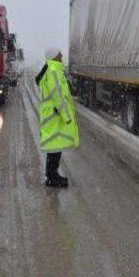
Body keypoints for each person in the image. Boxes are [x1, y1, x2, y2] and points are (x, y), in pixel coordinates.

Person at [35, 47, 80, 187]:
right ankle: (52, 177)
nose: (62, 57)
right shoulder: (54, 71)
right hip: (55, 115)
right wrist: (67, 116)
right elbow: (58, 95)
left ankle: (52, 175)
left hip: (53, 114)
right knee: (55, 146)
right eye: (59, 55)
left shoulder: (53, 70)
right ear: (54, 57)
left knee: (55, 146)